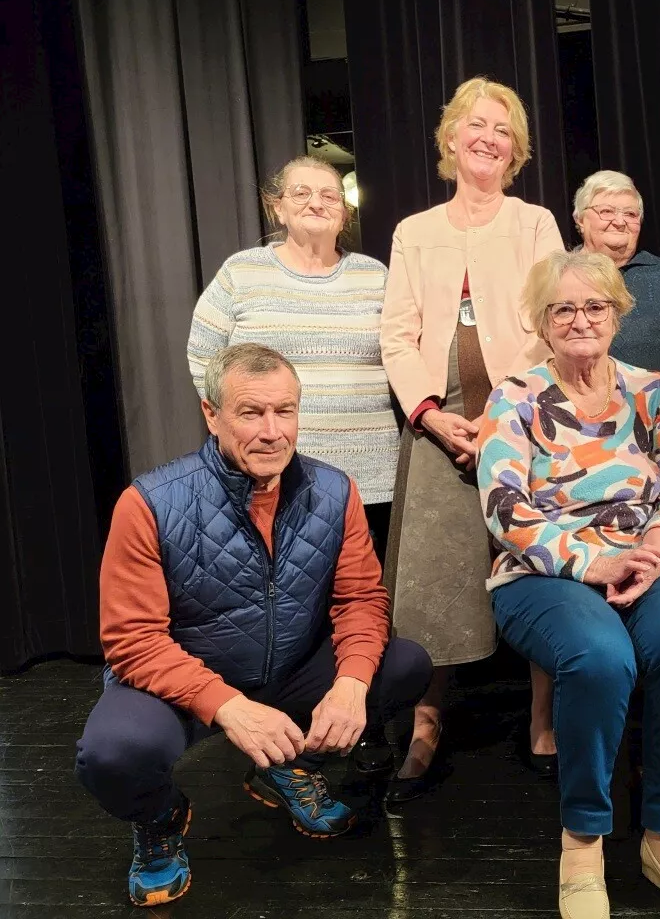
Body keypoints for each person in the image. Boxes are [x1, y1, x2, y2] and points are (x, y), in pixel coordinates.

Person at [73, 344, 433, 908]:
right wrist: (225, 704)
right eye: (251, 412)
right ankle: (161, 817)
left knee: (404, 665)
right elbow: (132, 642)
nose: (272, 431)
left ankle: (290, 769)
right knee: (114, 754)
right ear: (211, 414)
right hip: (184, 683)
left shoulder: (335, 491)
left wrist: (351, 683)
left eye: (285, 411)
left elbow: (361, 599)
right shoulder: (148, 503)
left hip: (289, 671)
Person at [478, 250, 660, 919]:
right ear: (542, 320)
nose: (581, 319)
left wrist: (656, 550)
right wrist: (591, 563)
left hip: (642, 556)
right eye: (564, 308)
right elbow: (503, 509)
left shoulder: (654, 392)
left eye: (595, 306)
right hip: (541, 570)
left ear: (618, 313)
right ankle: (582, 841)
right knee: (600, 658)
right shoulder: (515, 396)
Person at [378, 76, 564, 799]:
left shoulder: (534, 222)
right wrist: (429, 412)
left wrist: (503, 417)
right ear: (450, 137)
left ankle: (543, 721)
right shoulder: (414, 231)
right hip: (437, 422)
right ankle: (426, 723)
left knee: (542, 569)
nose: (487, 136)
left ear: (515, 150)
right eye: (475, 124)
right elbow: (396, 334)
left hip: (523, 425)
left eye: (503, 128)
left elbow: (555, 318)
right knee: (431, 585)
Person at [188, 155, 399, 552]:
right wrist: (238, 424)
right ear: (277, 208)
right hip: (270, 476)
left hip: (368, 478)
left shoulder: (375, 276)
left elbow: (405, 355)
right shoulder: (242, 272)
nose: (316, 203)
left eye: (329, 196)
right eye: (301, 193)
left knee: (365, 600)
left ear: (344, 213)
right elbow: (204, 355)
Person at [573, 169, 660, 413]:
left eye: (630, 213)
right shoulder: (562, 279)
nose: (619, 221)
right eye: (606, 211)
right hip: (583, 431)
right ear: (579, 219)